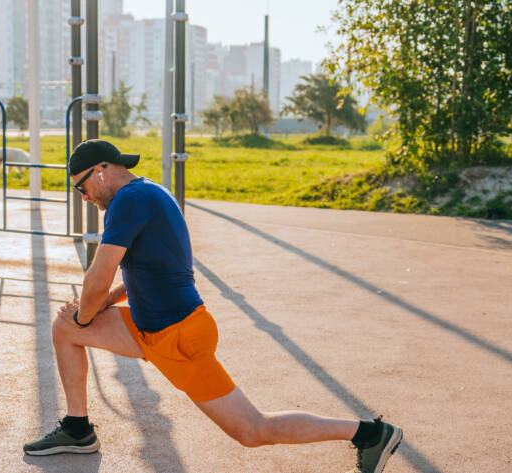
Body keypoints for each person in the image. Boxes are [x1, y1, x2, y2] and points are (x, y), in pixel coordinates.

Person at [22, 140, 403, 473]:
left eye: (80, 187)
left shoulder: (128, 201)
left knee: (253, 431)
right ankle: (77, 428)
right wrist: (91, 313)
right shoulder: (146, 194)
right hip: (151, 327)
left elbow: (97, 277)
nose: (83, 197)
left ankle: (369, 433)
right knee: (64, 329)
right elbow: (148, 272)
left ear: (102, 171)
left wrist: (86, 315)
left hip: (179, 337)